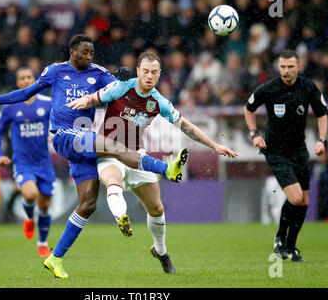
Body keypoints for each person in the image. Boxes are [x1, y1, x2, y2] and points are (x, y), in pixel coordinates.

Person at [0, 34, 188, 278]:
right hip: (65, 135)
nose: (89, 56)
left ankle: (55, 258)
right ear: (72, 52)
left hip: (83, 142)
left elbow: (121, 87)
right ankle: (166, 169)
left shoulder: (98, 72)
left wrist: (126, 75)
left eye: (92, 52)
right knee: (116, 147)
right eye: (85, 52)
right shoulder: (55, 72)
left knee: (88, 204)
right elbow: (26, 93)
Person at [67, 51, 238, 273]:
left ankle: (160, 250)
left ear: (159, 75)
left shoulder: (158, 101)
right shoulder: (122, 87)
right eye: (145, 71)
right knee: (113, 182)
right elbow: (95, 97)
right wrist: (85, 100)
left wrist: (214, 146)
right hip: (108, 152)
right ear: (138, 71)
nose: (149, 76)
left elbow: (186, 126)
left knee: (156, 208)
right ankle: (122, 217)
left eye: (154, 72)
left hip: (137, 155)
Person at [244, 49, 328, 262]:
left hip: (299, 150)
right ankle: (280, 237)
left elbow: (322, 114)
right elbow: (248, 108)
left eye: (290, 67)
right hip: (276, 151)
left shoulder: (308, 87)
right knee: (296, 197)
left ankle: (291, 247)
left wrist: (322, 140)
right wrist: (254, 134)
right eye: (282, 67)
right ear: (278, 67)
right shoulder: (270, 89)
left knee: (304, 201)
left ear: (298, 67)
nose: (286, 71)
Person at [0, 67, 55, 257]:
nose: (27, 81)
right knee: (30, 194)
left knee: (44, 206)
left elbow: (59, 123)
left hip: (44, 162)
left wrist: (55, 134)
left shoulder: (48, 103)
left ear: (35, 80)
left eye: (30, 77)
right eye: (23, 78)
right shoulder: (10, 106)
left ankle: (42, 242)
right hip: (22, 162)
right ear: (18, 83)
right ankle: (28, 217)